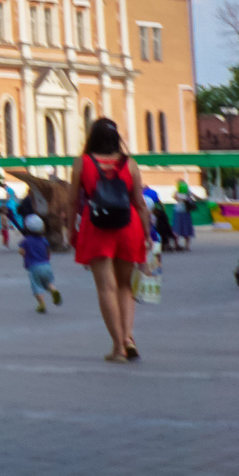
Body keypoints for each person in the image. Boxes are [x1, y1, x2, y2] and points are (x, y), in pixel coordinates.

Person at [73, 119, 149, 363]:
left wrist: (70, 231)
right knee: (125, 285)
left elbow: (72, 201)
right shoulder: (130, 164)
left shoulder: (82, 162)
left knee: (106, 287)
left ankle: (118, 348)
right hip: (129, 226)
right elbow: (140, 203)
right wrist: (148, 235)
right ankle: (128, 338)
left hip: (97, 225)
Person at [20, 213, 60, 313]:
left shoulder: (26, 241)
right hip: (46, 265)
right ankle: (54, 290)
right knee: (48, 283)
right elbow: (48, 251)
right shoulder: (44, 240)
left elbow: (21, 251)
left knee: (37, 286)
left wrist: (25, 255)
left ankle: (41, 304)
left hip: (34, 267)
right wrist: (47, 258)